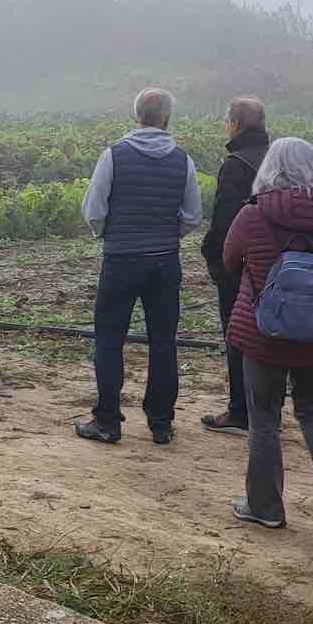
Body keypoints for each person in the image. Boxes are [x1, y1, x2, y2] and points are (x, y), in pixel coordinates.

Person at [223, 137, 313, 532]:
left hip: (264, 333)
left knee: (264, 419)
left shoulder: (254, 213)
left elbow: (231, 260)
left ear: (270, 168)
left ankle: (265, 507)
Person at [76, 88, 202, 445]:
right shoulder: (182, 160)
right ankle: (161, 424)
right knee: (163, 342)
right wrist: (167, 234)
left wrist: (110, 235)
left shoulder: (113, 156)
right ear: (166, 118)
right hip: (164, 261)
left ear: (137, 115)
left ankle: (107, 421)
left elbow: (94, 210)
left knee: (109, 339)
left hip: (120, 261)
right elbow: (192, 215)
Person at [199, 97, 271, 436]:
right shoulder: (277, 160)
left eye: (227, 120)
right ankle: (268, 409)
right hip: (275, 264)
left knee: (237, 335)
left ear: (235, 125)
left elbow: (224, 221)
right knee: (270, 336)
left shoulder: (236, 163)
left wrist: (212, 255)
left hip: (240, 266)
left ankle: (240, 410)